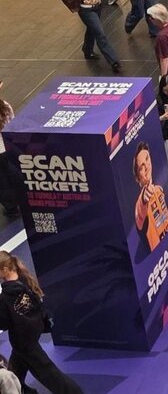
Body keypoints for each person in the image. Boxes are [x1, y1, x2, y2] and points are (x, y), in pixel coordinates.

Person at [0, 251, 85, 394]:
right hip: (31, 334)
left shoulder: (5, 298)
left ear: (5, 270)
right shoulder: (25, 281)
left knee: (49, 374)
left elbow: (3, 324)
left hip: (24, 343)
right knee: (14, 373)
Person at [132, 142, 168, 252]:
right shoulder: (139, 205)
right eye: (141, 166)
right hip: (159, 257)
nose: (147, 166)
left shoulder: (159, 190)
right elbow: (141, 210)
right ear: (137, 177)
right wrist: (144, 198)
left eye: (147, 159)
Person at [0, 83, 25, 218]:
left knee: (2, 182)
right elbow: (13, 125)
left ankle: (10, 207)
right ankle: (22, 199)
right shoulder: (5, 106)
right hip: (8, 147)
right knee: (14, 175)